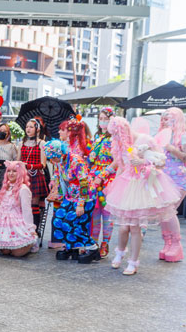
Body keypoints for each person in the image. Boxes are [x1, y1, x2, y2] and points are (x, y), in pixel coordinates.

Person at [105, 117, 181, 275]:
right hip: (127, 186)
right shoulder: (121, 145)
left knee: (134, 227)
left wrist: (143, 162)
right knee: (123, 227)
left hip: (142, 186)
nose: (116, 137)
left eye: (117, 134)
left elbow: (161, 162)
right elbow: (121, 166)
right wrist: (113, 185)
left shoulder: (145, 139)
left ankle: (133, 262)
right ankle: (119, 253)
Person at [44, 136, 99, 264]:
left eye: (54, 157)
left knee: (73, 222)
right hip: (70, 195)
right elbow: (58, 173)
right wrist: (54, 182)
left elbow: (84, 183)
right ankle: (70, 246)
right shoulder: (59, 161)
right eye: (50, 158)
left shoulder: (76, 161)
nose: (52, 160)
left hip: (85, 197)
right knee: (58, 219)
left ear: (60, 153)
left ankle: (92, 248)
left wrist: (80, 205)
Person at [157, 107, 186, 262]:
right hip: (162, 179)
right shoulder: (159, 136)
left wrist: (171, 149)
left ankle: (176, 245)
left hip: (178, 179)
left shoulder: (182, 136)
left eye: (168, 117)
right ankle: (168, 244)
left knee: (169, 211)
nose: (164, 120)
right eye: (163, 118)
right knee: (163, 213)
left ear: (176, 119)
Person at [0, 161, 38, 256]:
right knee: (5, 252)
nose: (11, 174)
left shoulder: (23, 189)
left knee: (17, 253)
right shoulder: (6, 186)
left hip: (16, 224)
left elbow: (27, 211)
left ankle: (31, 243)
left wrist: (30, 229)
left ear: (20, 173)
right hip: (3, 224)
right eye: (9, 171)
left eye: (14, 171)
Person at [88, 108, 116, 258]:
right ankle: (94, 243)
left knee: (107, 213)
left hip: (108, 178)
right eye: (100, 118)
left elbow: (118, 160)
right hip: (94, 176)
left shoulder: (115, 137)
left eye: (105, 118)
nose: (102, 120)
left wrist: (104, 173)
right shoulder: (96, 136)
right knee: (94, 212)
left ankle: (105, 242)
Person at [18, 118, 49, 234]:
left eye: (31, 127)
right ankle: (22, 230)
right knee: (22, 205)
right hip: (23, 177)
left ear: (37, 129)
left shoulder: (42, 143)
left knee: (34, 206)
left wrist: (29, 166)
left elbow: (43, 164)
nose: (28, 129)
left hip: (36, 177)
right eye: (27, 127)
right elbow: (17, 161)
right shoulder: (21, 143)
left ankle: (34, 231)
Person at [0, 123, 18, 203]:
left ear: (8, 133)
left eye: (5, 131)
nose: (2, 132)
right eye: (0, 130)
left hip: (6, 173)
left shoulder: (12, 146)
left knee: (4, 197)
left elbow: (16, 160)